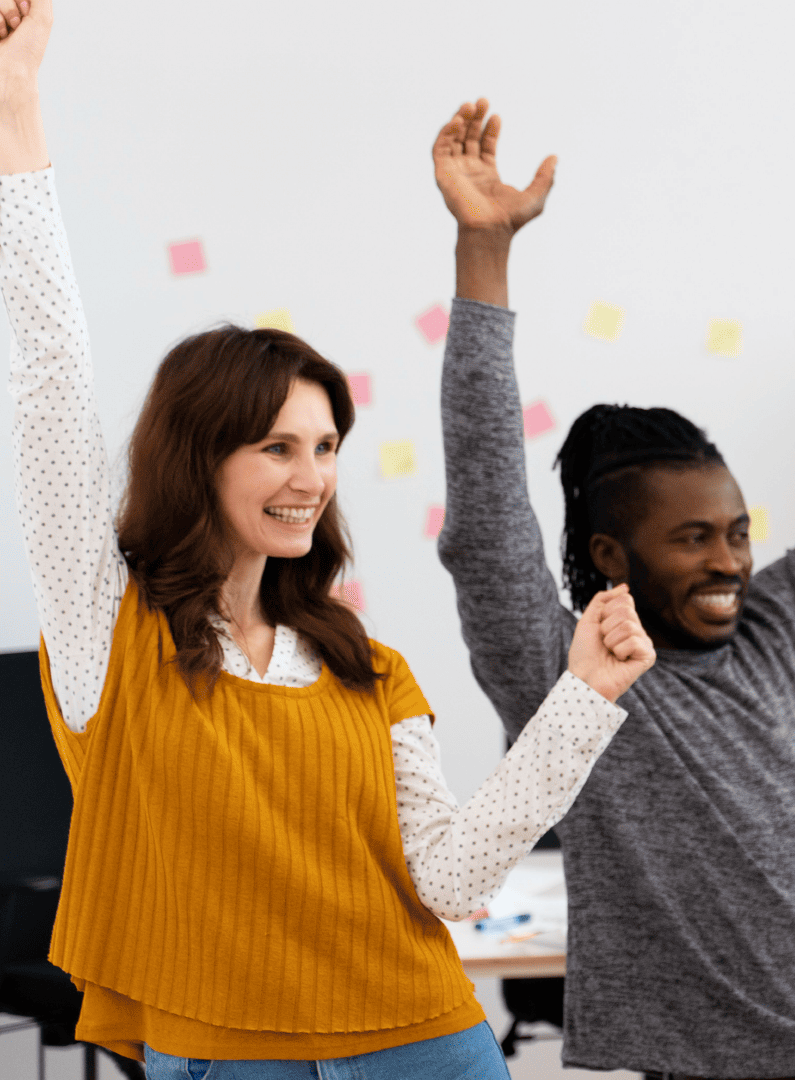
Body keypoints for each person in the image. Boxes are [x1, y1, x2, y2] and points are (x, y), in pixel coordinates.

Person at [0, 4, 657, 1077]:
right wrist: (16, 111)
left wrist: (583, 698)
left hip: (426, 1038)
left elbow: (448, 877)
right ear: (196, 458)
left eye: (326, 445)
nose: (311, 478)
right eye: (274, 447)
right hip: (222, 1051)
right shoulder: (108, 632)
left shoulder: (366, 667)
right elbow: (49, 384)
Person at [431, 97, 795, 1079]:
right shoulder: (571, 680)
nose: (730, 561)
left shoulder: (791, 622)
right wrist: (484, 257)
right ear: (613, 555)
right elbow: (487, 527)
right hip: (697, 1067)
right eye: (693, 539)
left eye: (738, 533)